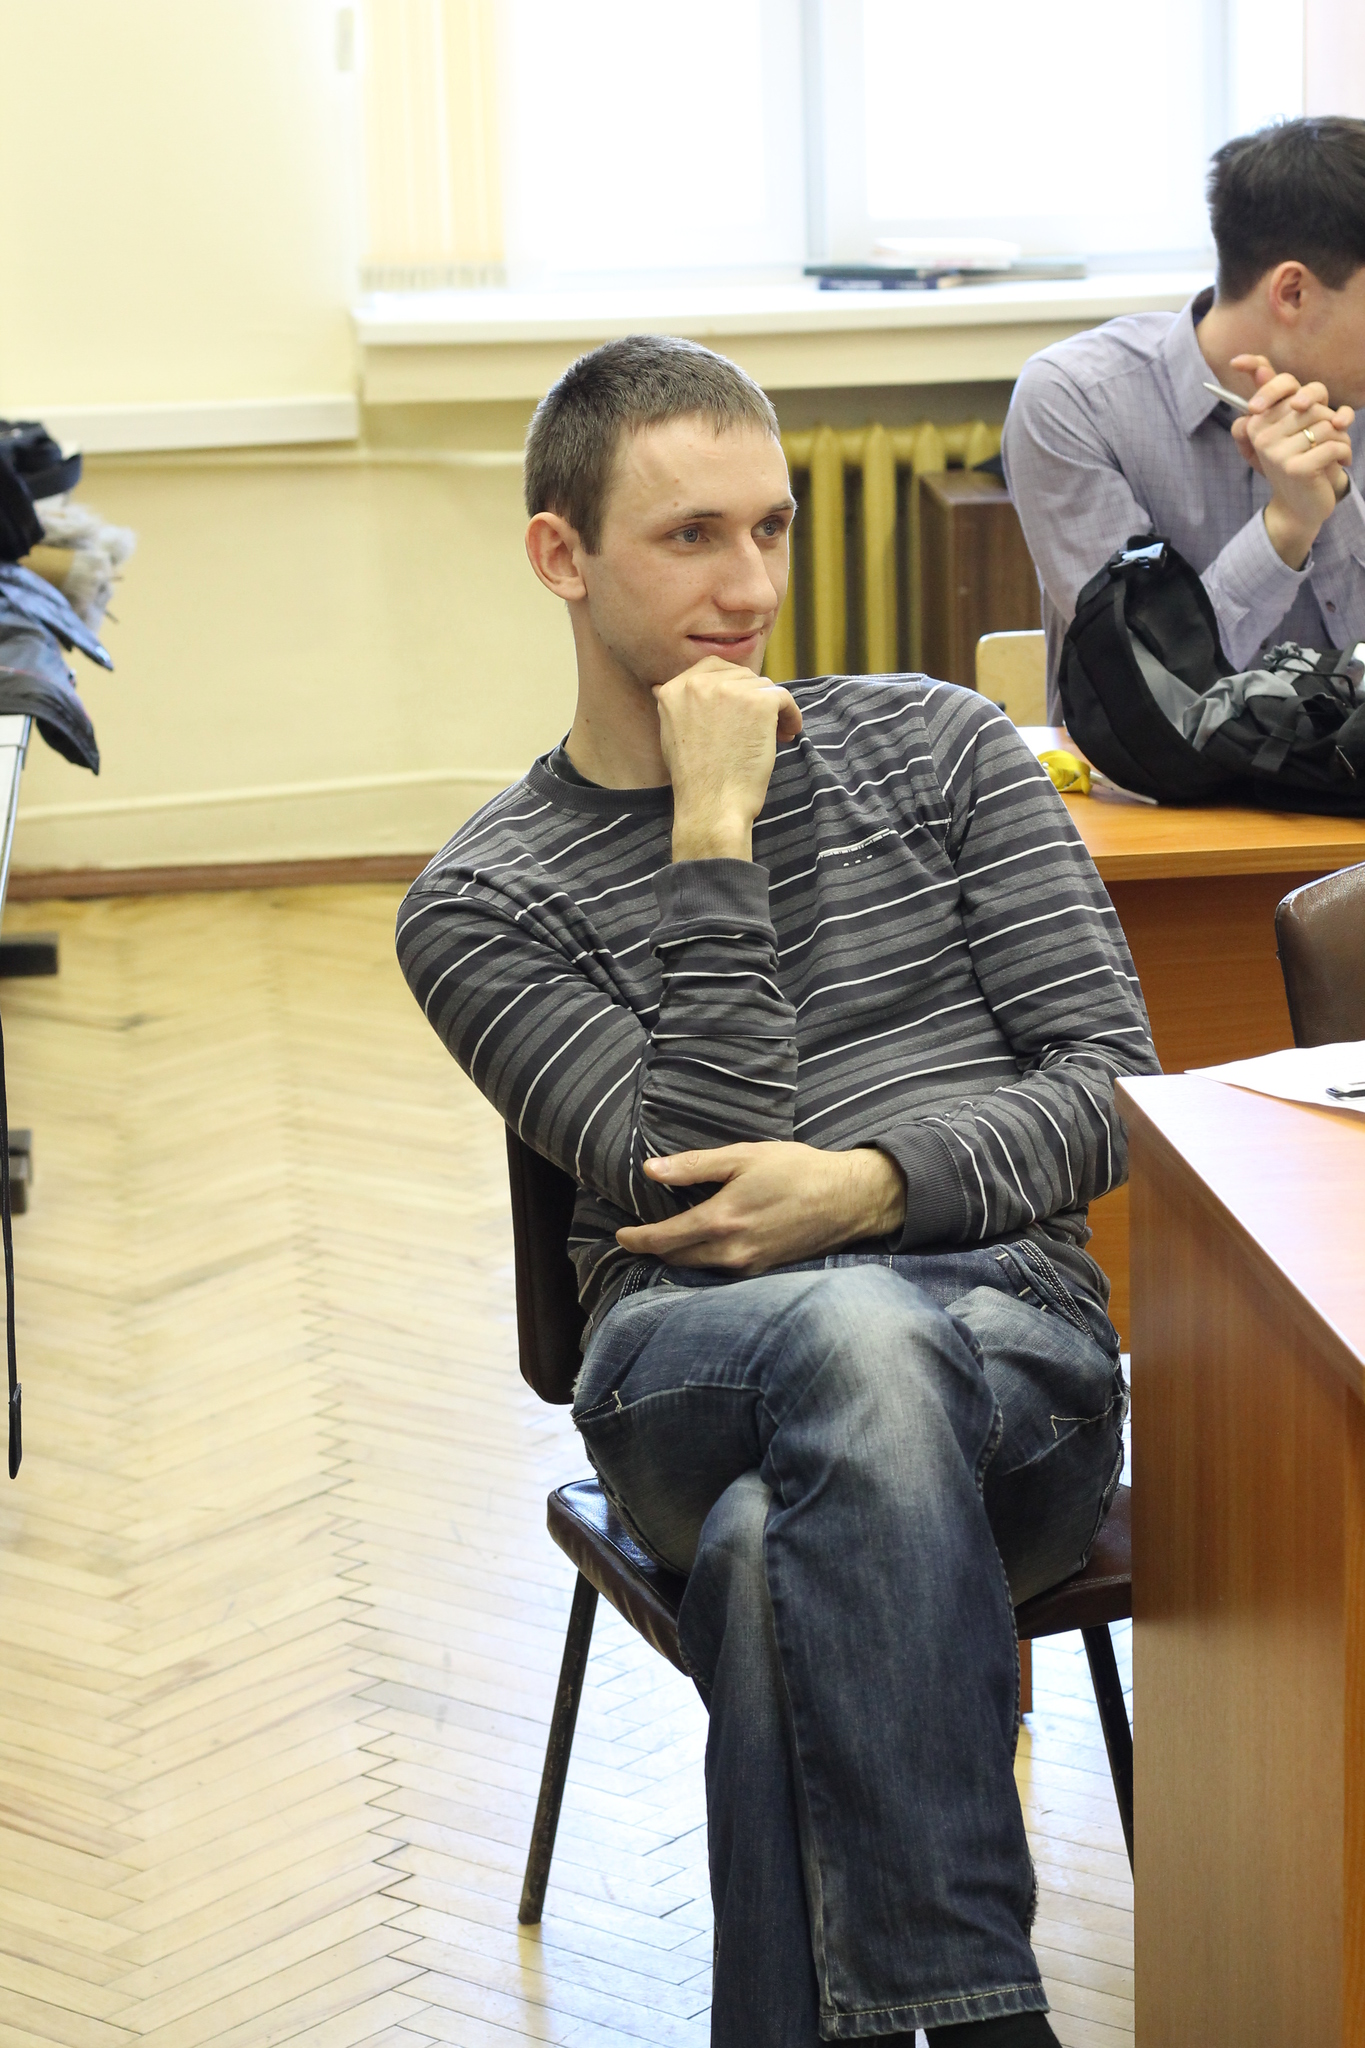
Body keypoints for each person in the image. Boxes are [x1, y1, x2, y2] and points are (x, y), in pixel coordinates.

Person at [397, 334, 1159, 2046]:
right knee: (848, 1339)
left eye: (772, 528)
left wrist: (869, 1187)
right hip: (689, 1367)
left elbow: (1113, 1094)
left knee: (767, 1547)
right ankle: (985, 2017)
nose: (749, 590)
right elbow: (699, 1171)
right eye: (691, 538)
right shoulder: (478, 903)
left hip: (1015, 1371)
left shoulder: (945, 750)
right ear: (560, 553)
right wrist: (713, 828)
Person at [1003, 115, 1365, 719]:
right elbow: (1148, 679)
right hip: (1146, 779)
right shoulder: (1074, 401)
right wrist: (1287, 527)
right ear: (1292, 292)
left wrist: (1337, 504)